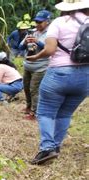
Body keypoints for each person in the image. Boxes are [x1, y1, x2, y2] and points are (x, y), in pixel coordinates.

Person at [26, 0, 89, 165]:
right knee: (65, 113)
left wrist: (36, 56)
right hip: (85, 76)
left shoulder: (59, 22)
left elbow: (50, 50)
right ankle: (56, 146)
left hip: (59, 73)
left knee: (45, 112)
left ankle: (47, 147)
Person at [19, 10, 52, 120]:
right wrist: (25, 42)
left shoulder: (50, 34)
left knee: (34, 90)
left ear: (47, 22)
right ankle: (28, 107)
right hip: (28, 65)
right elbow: (20, 47)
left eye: (40, 22)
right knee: (26, 87)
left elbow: (49, 49)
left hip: (40, 67)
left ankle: (35, 113)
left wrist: (37, 41)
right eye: (36, 22)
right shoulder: (32, 32)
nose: (37, 24)